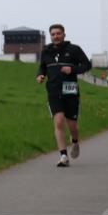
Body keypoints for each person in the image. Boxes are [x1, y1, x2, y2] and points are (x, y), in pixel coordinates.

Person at [35, 24, 91, 167]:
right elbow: (42, 67)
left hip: (70, 91)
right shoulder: (46, 51)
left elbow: (86, 65)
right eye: (53, 34)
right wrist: (40, 75)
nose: (56, 36)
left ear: (64, 35)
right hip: (53, 91)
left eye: (58, 33)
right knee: (58, 121)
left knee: (72, 125)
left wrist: (72, 69)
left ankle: (75, 141)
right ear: (50, 36)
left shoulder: (74, 49)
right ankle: (63, 156)